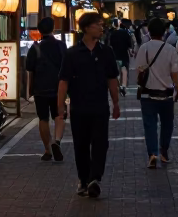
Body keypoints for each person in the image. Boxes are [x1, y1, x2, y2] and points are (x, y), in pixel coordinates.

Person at [57, 12, 121, 199]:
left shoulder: (106, 52)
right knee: (81, 145)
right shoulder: (72, 53)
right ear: (86, 28)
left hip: (100, 106)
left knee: (101, 144)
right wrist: (60, 106)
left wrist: (116, 103)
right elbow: (63, 81)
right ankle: (83, 179)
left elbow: (112, 79)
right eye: (97, 25)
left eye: (102, 25)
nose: (101, 28)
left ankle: (95, 179)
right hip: (79, 107)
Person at [133, 18, 178, 168]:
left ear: (149, 31)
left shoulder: (144, 48)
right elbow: (175, 74)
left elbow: (139, 70)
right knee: (167, 124)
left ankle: (152, 153)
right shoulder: (170, 50)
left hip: (147, 94)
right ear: (165, 32)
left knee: (150, 125)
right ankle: (164, 152)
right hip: (166, 94)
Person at [24, 16, 66, 162]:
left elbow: (30, 70)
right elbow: (66, 67)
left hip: (40, 89)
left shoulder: (35, 48)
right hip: (58, 87)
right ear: (53, 28)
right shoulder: (61, 45)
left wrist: (30, 90)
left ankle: (48, 149)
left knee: (43, 118)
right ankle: (57, 141)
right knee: (59, 115)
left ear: (40, 31)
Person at [108, 18, 135, 96]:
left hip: (114, 56)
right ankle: (124, 86)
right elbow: (129, 45)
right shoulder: (125, 33)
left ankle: (118, 86)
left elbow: (109, 45)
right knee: (124, 70)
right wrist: (131, 52)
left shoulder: (111, 33)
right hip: (124, 55)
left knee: (117, 72)